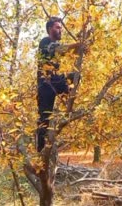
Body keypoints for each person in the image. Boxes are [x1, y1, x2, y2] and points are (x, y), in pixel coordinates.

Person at [36, 17, 82, 152]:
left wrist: (82, 47)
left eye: (61, 28)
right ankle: (40, 150)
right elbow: (61, 49)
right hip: (45, 84)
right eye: (57, 27)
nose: (60, 30)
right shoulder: (45, 42)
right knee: (44, 118)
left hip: (56, 80)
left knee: (75, 76)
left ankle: (68, 101)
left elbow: (70, 52)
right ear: (50, 29)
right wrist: (78, 44)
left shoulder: (55, 44)